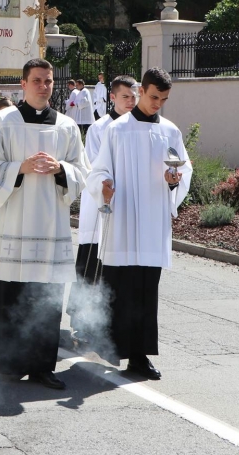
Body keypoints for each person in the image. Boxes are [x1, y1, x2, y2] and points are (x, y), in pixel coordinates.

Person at [0, 58, 90, 390]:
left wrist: (61, 170)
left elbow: (82, 170)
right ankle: (11, 363)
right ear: (23, 84)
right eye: (37, 80)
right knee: (13, 292)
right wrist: (18, 168)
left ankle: (42, 366)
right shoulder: (4, 122)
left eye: (48, 81)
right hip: (13, 221)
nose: (43, 86)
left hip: (50, 224)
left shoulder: (67, 126)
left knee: (46, 296)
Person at [86, 68, 192, 381]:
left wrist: (174, 181)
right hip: (123, 219)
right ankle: (113, 347)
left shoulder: (170, 132)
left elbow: (183, 171)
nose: (158, 103)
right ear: (141, 91)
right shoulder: (117, 130)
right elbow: (98, 170)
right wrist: (104, 184)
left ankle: (139, 357)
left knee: (146, 289)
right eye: (154, 96)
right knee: (122, 288)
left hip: (152, 223)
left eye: (164, 99)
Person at [70, 75, 138, 345]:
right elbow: (94, 166)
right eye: (125, 97)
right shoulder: (100, 128)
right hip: (102, 206)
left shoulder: (139, 127)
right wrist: (109, 185)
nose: (131, 101)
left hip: (127, 207)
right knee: (92, 265)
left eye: (134, 97)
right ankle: (82, 321)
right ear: (113, 97)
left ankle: (111, 323)